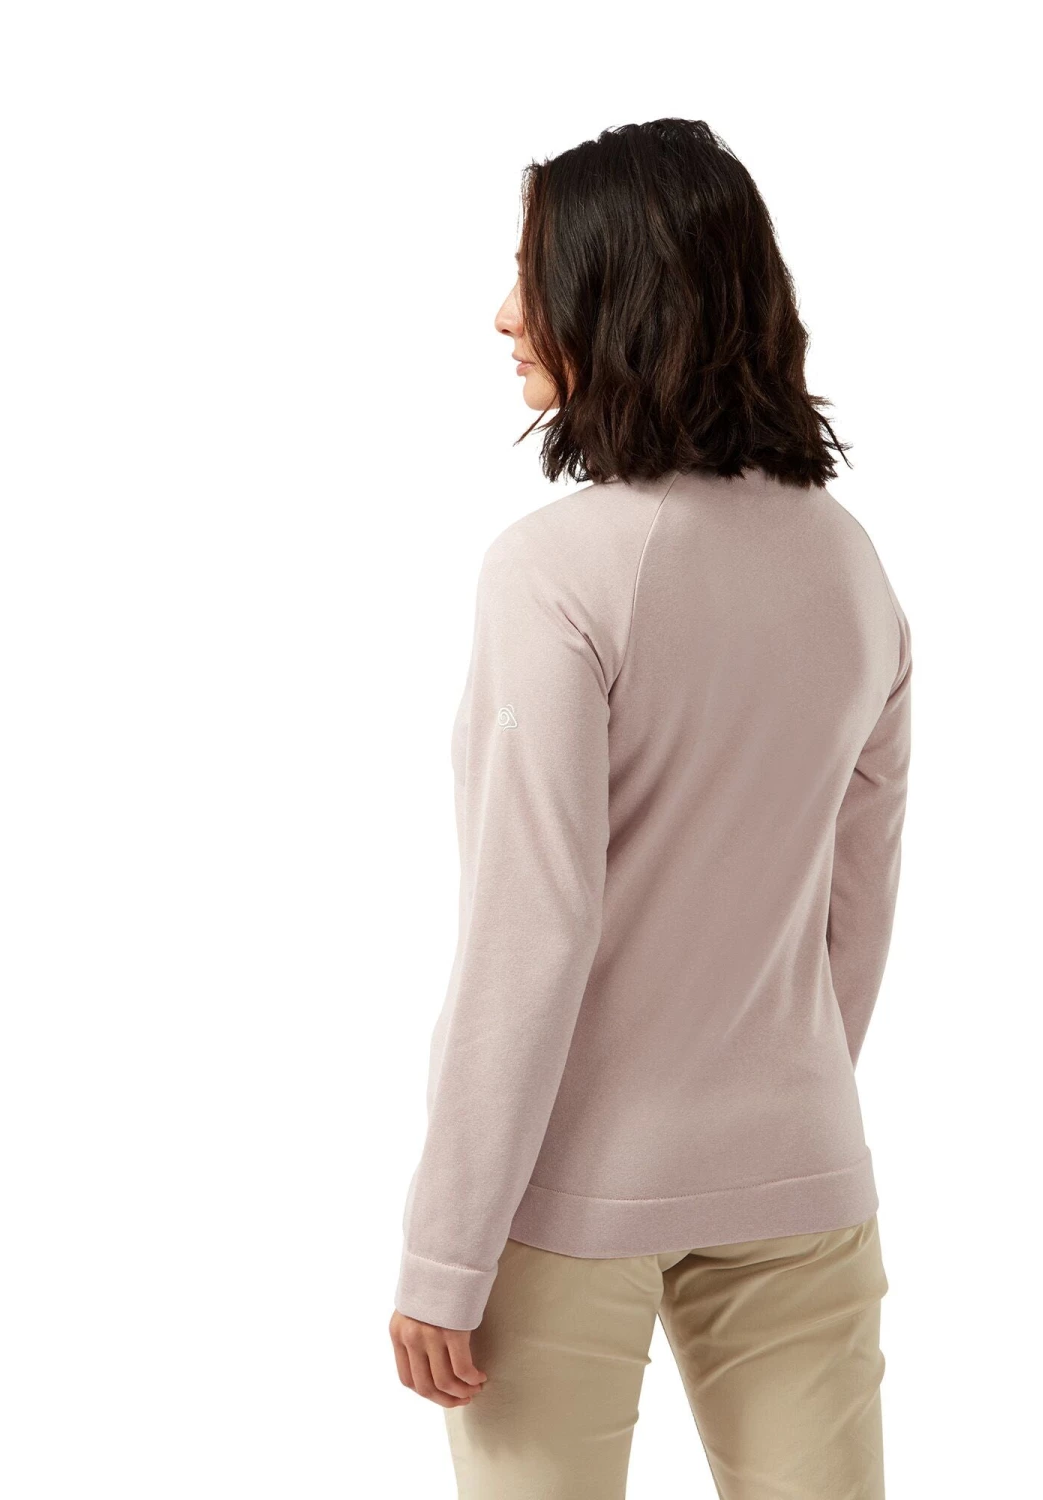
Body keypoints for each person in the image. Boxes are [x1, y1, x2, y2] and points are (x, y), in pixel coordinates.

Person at [389, 118, 911, 1500]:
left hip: (565, 1190)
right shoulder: (851, 565)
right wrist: (778, 1094)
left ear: (620, 295)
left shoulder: (557, 571)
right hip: (800, 1166)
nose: (506, 312)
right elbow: (858, 904)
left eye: (534, 273)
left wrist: (446, 1248)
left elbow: (532, 929)